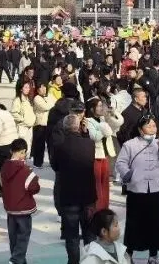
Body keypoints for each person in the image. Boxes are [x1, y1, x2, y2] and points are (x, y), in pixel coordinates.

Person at [115, 115, 159, 264]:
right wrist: (128, 175)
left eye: (154, 126)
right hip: (137, 189)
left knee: (155, 223)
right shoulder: (130, 145)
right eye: (148, 126)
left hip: (156, 189)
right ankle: (129, 254)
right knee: (134, 223)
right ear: (140, 129)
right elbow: (120, 163)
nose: (152, 129)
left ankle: (153, 255)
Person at [54, 113, 100, 264]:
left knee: (72, 236)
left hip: (69, 196)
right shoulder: (89, 144)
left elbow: (55, 166)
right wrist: (85, 134)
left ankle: (73, 261)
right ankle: (90, 261)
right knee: (89, 234)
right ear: (79, 126)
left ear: (64, 128)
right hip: (88, 195)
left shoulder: (59, 146)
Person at [0, 138, 40, 264]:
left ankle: (19, 260)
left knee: (13, 237)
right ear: (23, 152)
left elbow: (2, 186)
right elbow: (34, 188)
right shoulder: (26, 170)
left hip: (10, 208)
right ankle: (16, 260)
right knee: (23, 236)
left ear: (11, 151)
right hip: (23, 208)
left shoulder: (4, 168)